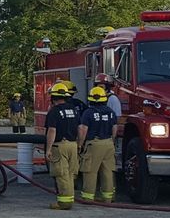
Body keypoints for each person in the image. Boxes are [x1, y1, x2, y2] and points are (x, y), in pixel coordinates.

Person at [77, 85, 118, 203]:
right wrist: (112, 141)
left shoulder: (88, 113)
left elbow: (83, 129)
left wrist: (80, 144)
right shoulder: (111, 112)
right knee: (108, 171)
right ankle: (108, 197)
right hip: (108, 143)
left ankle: (88, 197)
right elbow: (114, 128)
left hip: (94, 144)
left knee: (90, 171)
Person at [45, 82, 80, 210]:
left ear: (53, 98)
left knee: (61, 174)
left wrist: (48, 149)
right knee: (70, 174)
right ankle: (70, 199)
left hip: (60, 146)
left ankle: (64, 203)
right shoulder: (74, 110)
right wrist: (79, 144)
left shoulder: (54, 112)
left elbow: (52, 130)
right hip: (73, 145)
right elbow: (81, 128)